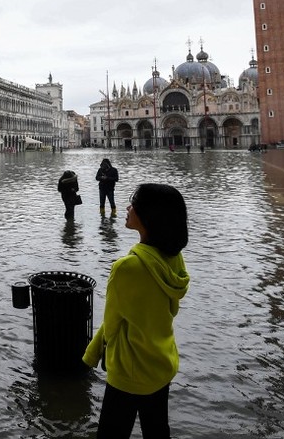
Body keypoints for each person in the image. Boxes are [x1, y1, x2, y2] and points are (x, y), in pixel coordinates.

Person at [83, 183, 190, 439]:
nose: (128, 207)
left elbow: (112, 324)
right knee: (157, 431)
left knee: (111, 433)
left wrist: (90, 356)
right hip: (162, 361)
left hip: (129, 370)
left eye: (134, 204)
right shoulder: (173, 257)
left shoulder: (127, 268)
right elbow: (170, 309)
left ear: (149, 216)